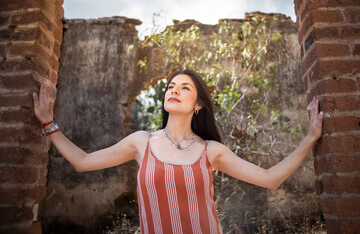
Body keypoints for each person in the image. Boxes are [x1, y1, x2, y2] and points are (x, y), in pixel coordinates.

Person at [33, 69, 323, 234]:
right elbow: (82, 162)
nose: (174, 90)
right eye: (171, 86)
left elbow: (271, 178)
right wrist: (48, 122)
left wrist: (310, 138)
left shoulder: (211, 151)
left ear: (198, 104)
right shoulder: (141, 142)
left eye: (185, 88)